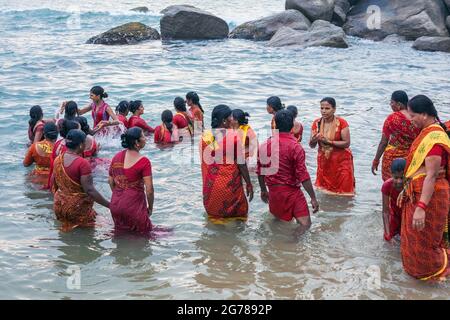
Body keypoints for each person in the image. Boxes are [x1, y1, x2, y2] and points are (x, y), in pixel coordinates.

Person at [400, 95, 450, 281]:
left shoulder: (435, 139)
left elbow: (431, 175)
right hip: (418, 192)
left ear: (423, 114)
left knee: (425, 243)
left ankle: (437, 273)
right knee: (413, 240)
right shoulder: (427, 132)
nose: (410, 120)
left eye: (412, 116)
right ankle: (417, 278)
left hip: (430, 197)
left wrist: (421, 207)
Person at [257, 110, 319, 235]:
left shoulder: (265, 145)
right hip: (291, 192)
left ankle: (277, 246)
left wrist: (263, 190)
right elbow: (303, 175)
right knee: (305, 225)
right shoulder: (295, 146)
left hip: (274, 192)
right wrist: (313, 198)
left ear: (275, 125)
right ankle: (290, 245)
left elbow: (260, 170)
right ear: (292, 126)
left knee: (278, 222)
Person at [200, 105, 253, 223]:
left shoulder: (205, 137)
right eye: (230, 117)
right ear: (224, 121)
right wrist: (249, 184)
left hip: (211, 190)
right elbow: (241, 163)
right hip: (230, 189)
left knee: (216, 225)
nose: (232, 119)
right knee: (239, 222)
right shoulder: (233, 136)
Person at [52, 129, 110, 229]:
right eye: (85, 143)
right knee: (94, 234)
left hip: (59, 206)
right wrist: (109, 205)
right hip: (77, 209)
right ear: (80, 145)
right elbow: (90, 190)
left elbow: (55, 183)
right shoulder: (82, 163)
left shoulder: (58, 159)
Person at [109, 127, 154, 234]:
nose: (145, 138)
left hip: (115, 205)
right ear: (136, 143)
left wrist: (119, 197)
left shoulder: (116, 157)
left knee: (121, 238)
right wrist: (150, 208)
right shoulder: (144, 161)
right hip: (134, 207)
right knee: (143, 238)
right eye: (143, 136)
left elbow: (110, 181)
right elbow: (149, 190)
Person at [309, 97, 355, 196]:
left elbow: (346, 143)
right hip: (325, 162)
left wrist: (328, 142)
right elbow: (312, 145)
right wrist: (314, 140)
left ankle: (344, 210)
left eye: (327, 108)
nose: (323, 111)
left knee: (345, 192)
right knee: (325, 192)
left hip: (342, 162)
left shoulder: (342, 122)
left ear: (334, 109)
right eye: (322, 108)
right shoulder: (316, 123)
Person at [372, 91, 419, 181]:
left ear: (399, 104)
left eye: (392, 102)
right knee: (406, 186)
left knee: (390, 187)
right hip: (410, 158)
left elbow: (383, 142)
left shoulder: (392, 118)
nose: (390, 104)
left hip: (391, 159)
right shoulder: (416, 118)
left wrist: (376, 160)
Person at [47, 120, 80, 190]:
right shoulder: (72, 149)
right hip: (66, 183)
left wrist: (50, 184)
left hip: (55, 179)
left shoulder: (58, 143)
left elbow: (52, 165)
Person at [381, 158, 406, 241]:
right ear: (391, 174)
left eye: (402, 178)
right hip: (394, 215)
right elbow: (385, 212)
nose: (399, 181)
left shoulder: (410, 185)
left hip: (407, 215)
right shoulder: (387, 185)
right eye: (396, 177)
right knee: (389, 239)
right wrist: (387, 234)